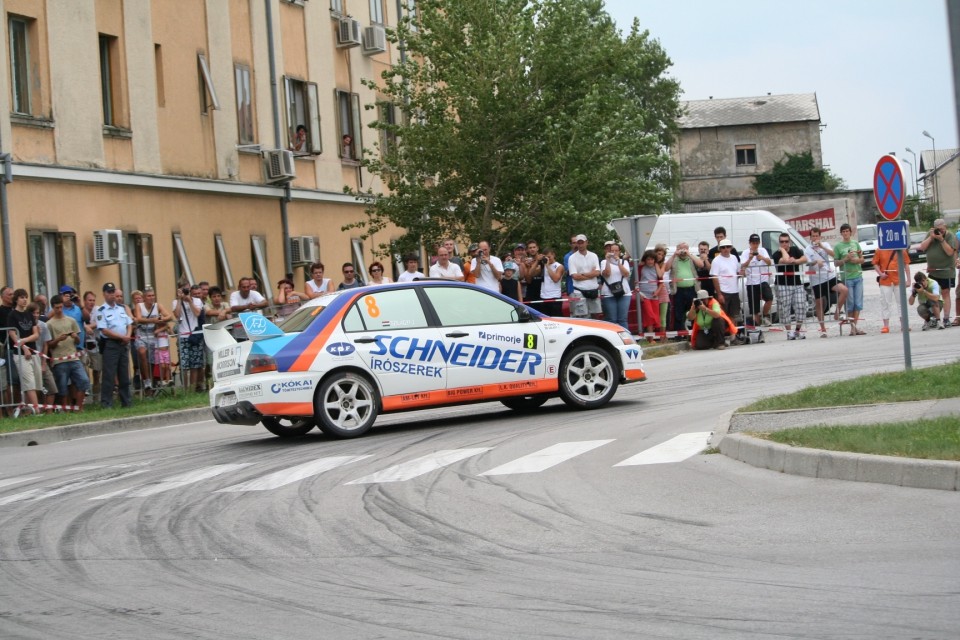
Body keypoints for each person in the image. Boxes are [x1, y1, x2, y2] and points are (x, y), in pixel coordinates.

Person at [46, 294, 89, 411]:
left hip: (74, 358)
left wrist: (75, 337)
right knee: (63, 387)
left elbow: (78, 341)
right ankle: (65, 409)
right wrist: (58, 340)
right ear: (53, 308)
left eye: (60, 307)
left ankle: (79, 407)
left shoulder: (71, 321)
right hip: (59, 360)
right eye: (56, 308)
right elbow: (49, 344)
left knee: (84, 381)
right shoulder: (49, 324)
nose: (59, 310)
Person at [803, 226, 847, 338]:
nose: (815, 238)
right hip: (817, 279)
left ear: (820, 236)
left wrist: (822, 246)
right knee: (819, 303)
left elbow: (835, 255)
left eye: (817, 236)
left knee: (844, 290)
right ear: (810, 237)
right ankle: (823, 329)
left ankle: (837, 312)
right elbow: (808, 263)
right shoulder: (807, 249)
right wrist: (815, 262)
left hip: (829, 275)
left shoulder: (825, 245)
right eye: (813, 236)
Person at [96, 282, 133, 408]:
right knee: (109, 375)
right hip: (111, 345)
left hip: (123, 344)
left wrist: (127, 336)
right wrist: (122, 337)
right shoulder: (101, 311)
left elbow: (129, 324)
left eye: (113, 292)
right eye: (109, 292)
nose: (112, 295)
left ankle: (126, 402)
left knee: (124, 375)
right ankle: (106, 403)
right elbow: (104, 330)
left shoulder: (121, 308)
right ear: (104, 294)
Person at [7, 290, 43, 411]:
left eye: (26, 297)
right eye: (22, 297)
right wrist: (23, 346)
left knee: (37, 383)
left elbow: (36, 334)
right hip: (20, 354)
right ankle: (37, 411)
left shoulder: (29, 314)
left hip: (33, 351)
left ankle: (28, 410)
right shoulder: (12, 315)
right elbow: (12, 334)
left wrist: (24, 340)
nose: (24, 300)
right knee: (29, 382)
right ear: (16, 299)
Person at [917, 218, 957, 327]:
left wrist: (941, 240)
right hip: (933, 271)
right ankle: (935, 317)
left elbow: (950, 252)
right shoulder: (931, 235)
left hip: (946, 271)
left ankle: (946, 318)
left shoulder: (950, 236)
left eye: (942, 229)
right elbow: (922, 247)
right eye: (938, 229)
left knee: (945, 293)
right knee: (933, 294)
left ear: (945, 227)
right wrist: (931, 237)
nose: (940, 232)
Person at [133, 286, 171, 391]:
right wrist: (153, 320)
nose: (151, 298)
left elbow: (169, 316)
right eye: (149, 296)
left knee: (152, 361)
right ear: (144, 298)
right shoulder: (139, 306)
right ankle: (147, 381)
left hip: (153, 335)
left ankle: (152, 381)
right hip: (141, 334)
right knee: (142, 352)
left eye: (153, 295)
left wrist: (160, 319)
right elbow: (139, 318)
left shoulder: (157, 305)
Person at [771, 232, 809, 340]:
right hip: (782, 284)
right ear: (779, 243)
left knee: (801, 306)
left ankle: (797, 331)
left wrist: (796, 261)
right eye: (782, 242)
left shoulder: (795, 250)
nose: (784, 243)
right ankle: (788, 332)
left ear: (790, 242)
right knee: (785, 309)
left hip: (796, 283)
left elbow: (805, 258)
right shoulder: (776, 254)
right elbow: (786, 260)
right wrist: (783, 250)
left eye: (786, 241)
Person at [834, 223, 866, 335]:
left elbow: (862, 258)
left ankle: (854, 327)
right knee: (850, 303)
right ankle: (852, 327)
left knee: (858, 303)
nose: (846, 233)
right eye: (844, 231)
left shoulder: (855, 244)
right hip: (847, 277)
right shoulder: (838, 246)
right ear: (841, 233)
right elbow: (835, 263)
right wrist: (846, 259)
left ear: (850, 232)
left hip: (857, 275)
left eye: (847, 231)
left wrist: (857, 260)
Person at [664, 242, 702, 333]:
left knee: (694, 311)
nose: (683, 251)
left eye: (685, 249)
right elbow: (666, 268)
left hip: (692, 289)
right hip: (678, 290)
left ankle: (695, 332)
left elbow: (701, 264)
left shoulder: (691, 258)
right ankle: (679, 333)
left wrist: (689, 254)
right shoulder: (674, 259)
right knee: (679, 313)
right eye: (681, 249)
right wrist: (674, 255)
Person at [174, 283, 206, 393]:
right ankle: (185, 390)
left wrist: (190, 301)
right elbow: (177, 315)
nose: (186, 291)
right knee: (184, 365)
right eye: (184, 290)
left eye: (187, 289)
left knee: (195, 364)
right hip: (183, 335)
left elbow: (197, 313)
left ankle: (192, 390)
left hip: (195, 334)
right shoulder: (175, 302)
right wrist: (179, 299)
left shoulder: (197, 301)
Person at [871, 246, 910, 334]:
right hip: (885, 280)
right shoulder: (880, 249)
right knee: (885, 302)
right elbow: (875, 263)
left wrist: (909, 280)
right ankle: (886, 326)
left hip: (899, 279)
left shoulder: (901, 249)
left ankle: (904, 325)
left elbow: (906, 264)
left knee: (901, 302)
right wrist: (880, 274)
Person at [709, 239, 742, 339]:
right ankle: (721, 338)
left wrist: (741, 273)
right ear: (720, 249)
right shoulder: (716, 260)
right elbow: (714, 278)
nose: (726, 249)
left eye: (728, 247)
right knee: (722, 317)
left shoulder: (734, 258)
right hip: (723, 291)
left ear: (731, 248)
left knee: (733, 316)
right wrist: (719, 294)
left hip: (734, 291)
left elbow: (737, 272)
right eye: (723, 247)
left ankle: (733, 337)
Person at [740, 233, 773, 328]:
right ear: (750, 243)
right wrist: (750, 258)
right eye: (753, 243)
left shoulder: (762, 250)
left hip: (763, 280)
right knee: (754, 308)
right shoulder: (745, 253)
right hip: (751, 282)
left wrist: (761, 257)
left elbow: (769, 263)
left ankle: (765, 315)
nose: (755, 245)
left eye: (757, 243)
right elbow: (743, 266)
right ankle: (758, 327)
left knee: (769, 298)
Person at [568, 234, 602, 319]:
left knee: (596, 316)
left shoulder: (593, 255)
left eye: (582, 242)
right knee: (582, 317)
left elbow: (597, 273)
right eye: (578, 243)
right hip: (579, 291)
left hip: (593, 289)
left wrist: (582, 274)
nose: (580, 245)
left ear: (586, 243)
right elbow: (575, 276)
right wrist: (591, 274)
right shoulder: (572, 258)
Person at [600, 241, 631, 331]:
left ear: (619, 252)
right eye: (611, 251)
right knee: (611, 319)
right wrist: (608, 261)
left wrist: (618, 262)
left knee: (623, 319)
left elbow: (626, 274)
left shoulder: (624, 262)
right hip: (608, 293)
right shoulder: (603, 262)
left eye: (616, 251)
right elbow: (607, 273)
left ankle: (626, 338)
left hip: (624, 292)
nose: (614, 253)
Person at [637, 250, 662, 341]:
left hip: (654, 295)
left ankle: (651, 338)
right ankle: (650, 339)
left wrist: (657, 292)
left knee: (655, 316)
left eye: (652, 259)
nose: (650, 261)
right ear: (645, 260)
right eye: (648, 259)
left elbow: (660, 279)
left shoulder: (656, 267)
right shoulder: (641, 267)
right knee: (649, 316)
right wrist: (639, 294)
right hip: (644, 294)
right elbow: (636, 281)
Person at [539, 248, 565, 317]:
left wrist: (547, 266)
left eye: (549, 257)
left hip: (555, 296)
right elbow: (531, 274)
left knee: (556, 319)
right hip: (544, 296)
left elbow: (556, 279)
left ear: (553, 255)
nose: (548, 259)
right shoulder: (542, 266)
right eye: (546, 257)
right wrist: (537, 261)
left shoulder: (559, 266)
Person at [521, 240, 545, 310]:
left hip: (543, 293)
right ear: (527, 250)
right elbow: (528, 280)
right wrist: (528, 267)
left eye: (534, 247)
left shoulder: (543, 259)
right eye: (530, 248)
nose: (532, 249)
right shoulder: (525, 262)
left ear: (537, 248)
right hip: (531, 293)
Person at [653, 244, 670, 330]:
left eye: (662, 255)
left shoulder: (663, 264)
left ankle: (663, 336)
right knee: (653, 315)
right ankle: (653, 335)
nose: (660, 256)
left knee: (662, 317)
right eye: (658, 253)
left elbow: (660, 274)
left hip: (662, 290)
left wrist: (656, 264)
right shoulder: (649, 262)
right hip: (652, 290)